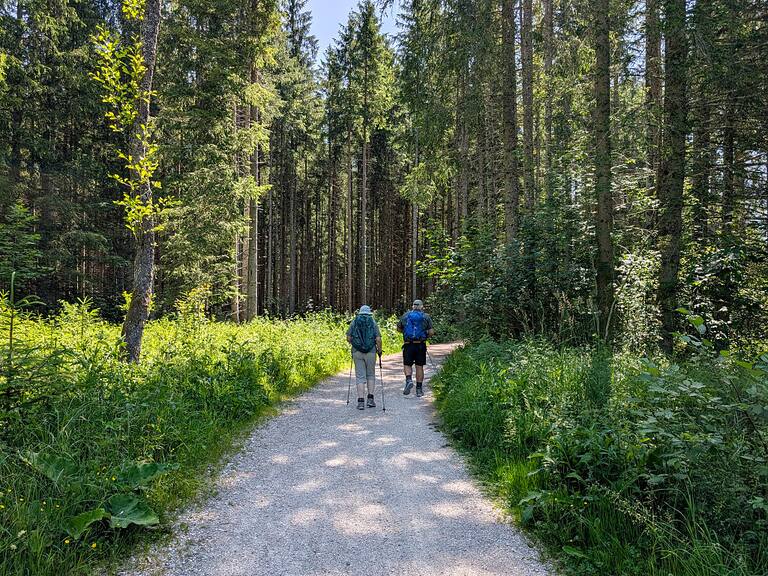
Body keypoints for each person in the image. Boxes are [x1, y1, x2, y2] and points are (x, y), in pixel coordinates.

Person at [346, 305, 383, 410]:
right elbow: (378, 339)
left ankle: (361, 402)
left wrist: (355, 344)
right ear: (369, 313)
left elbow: (348, 337)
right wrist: (379, 351)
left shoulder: (354, 321)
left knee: (360, 376)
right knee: (370, 375)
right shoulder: (373, 322)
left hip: (357, 352)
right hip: (371, 352)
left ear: (360, 312)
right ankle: (370, 400)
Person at [396, 299, 434, 397]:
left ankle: (409, 380)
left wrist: (405, 332)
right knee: (419, 366)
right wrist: (425, 337)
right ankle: (419, 389)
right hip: (420, 345)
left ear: (413, 306)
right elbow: (431, 332)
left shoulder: (405, 315)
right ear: (421, 307)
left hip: (408, 344)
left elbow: (398, 328)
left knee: (407, 364)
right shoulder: (426, 316)